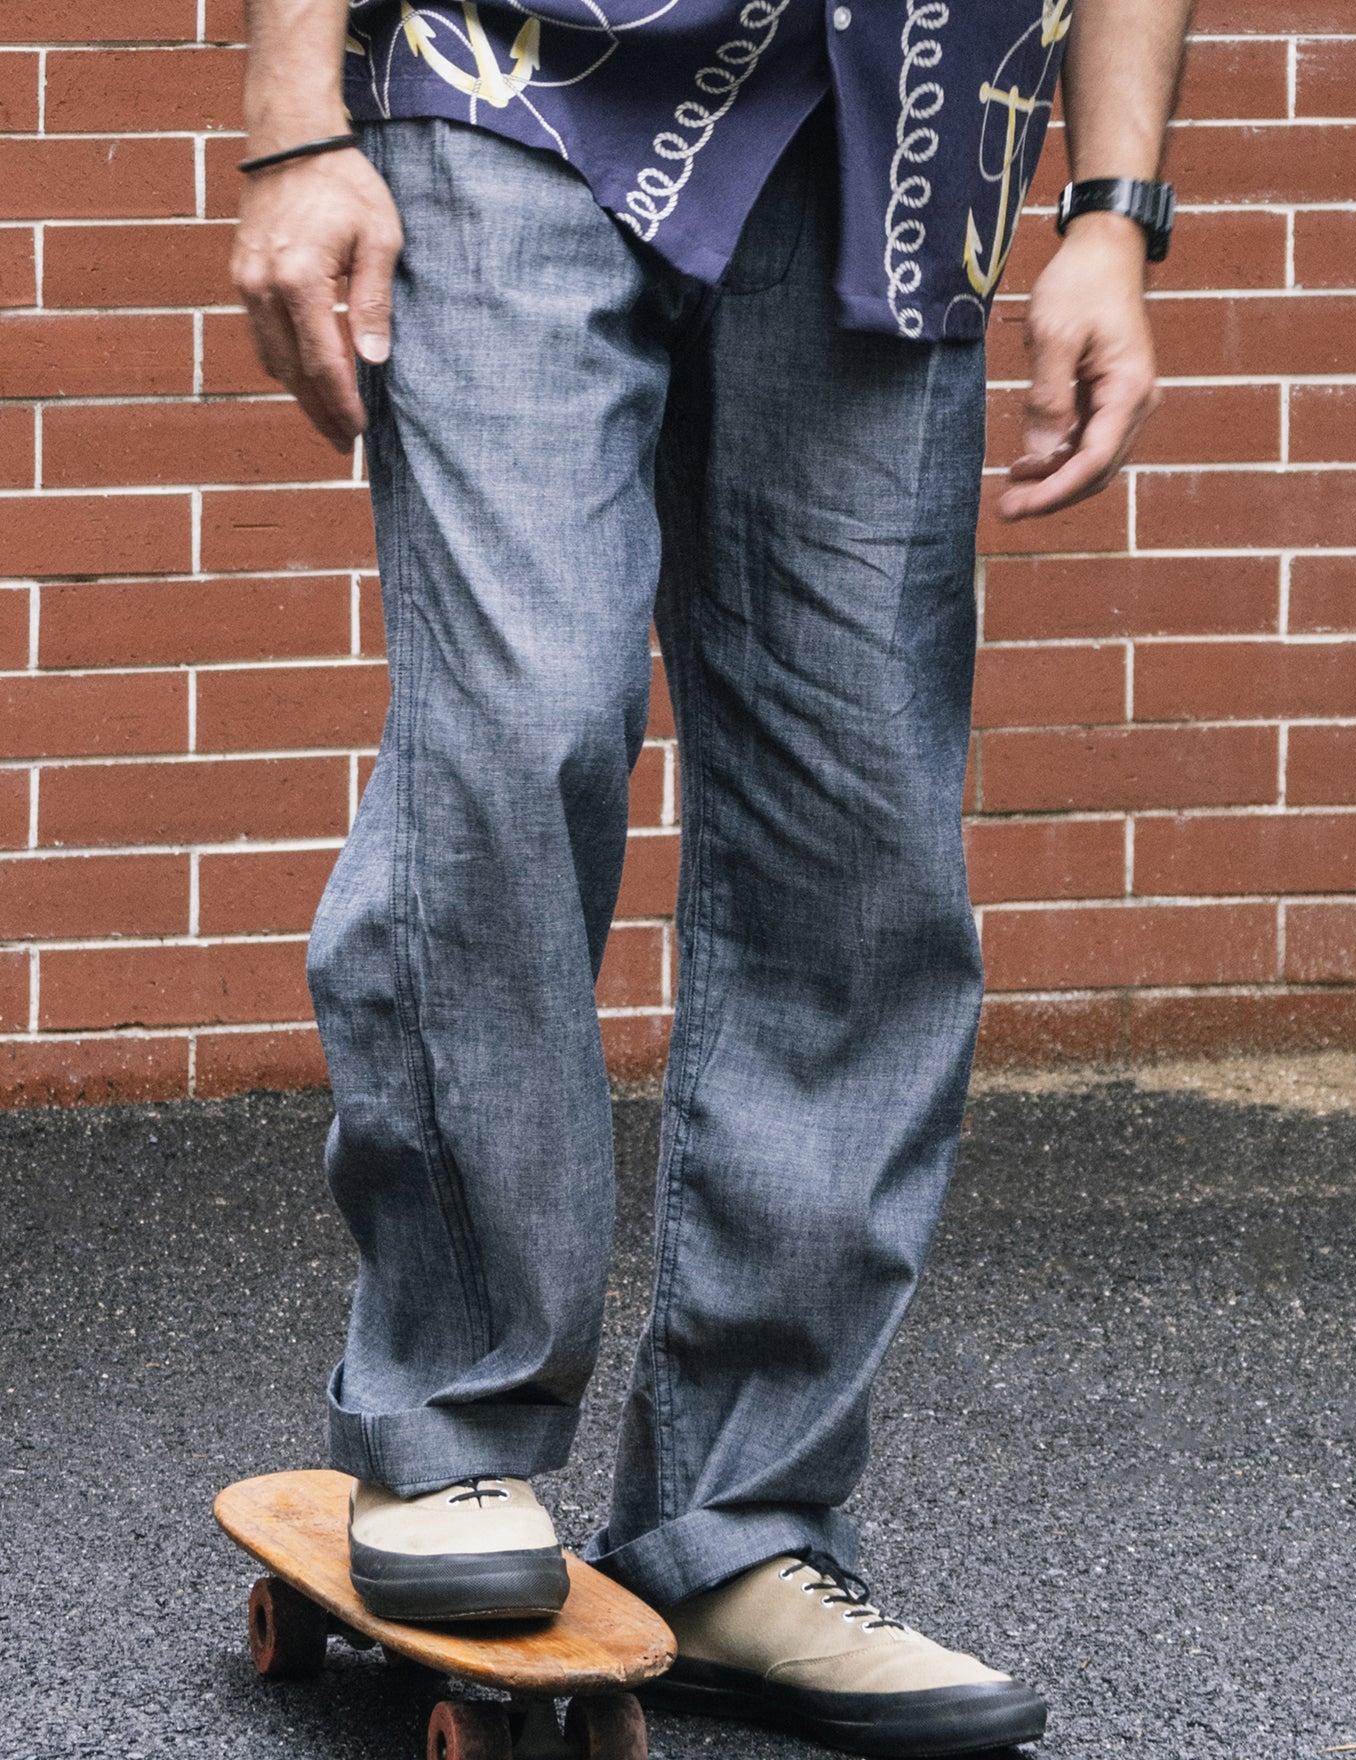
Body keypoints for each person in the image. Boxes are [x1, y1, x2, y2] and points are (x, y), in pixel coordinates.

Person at [233, 1, 1190, 1751]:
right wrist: (299, 113)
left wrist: (1113, 209)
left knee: (862, 832)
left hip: (899, 136)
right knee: (518, 735)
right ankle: (452, 1437)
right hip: (511, 80)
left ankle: (741, 1527)